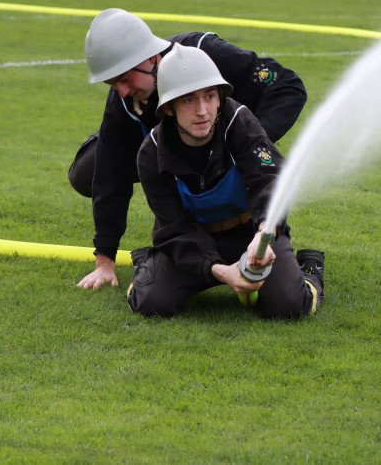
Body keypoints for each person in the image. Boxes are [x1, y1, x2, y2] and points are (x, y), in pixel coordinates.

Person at [71, 8, 308, 290]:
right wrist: (105, 260)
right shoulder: (124, 99)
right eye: (113, 84)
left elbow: (288, 87)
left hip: (236, 148)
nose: (121, 91)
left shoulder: (206, 55)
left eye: (124, 79)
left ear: (149, 58)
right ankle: (172, 234)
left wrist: (248, 146)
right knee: (86, 173)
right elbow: (109, 175)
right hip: (172, 151)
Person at [127, 45, 324, 318]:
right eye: (188, 100)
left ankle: (309, 268)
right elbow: (173, 228)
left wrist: (263, 235)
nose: (203, 111)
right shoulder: (151, 153)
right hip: (194, 240)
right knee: (150, 302)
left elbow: (270, 181)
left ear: (220, 97)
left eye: (210, 96)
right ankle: (147, 265)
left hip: (251, 233)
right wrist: (221, 271)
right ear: (169, 108)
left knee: (290, 306)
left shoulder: (240, 121)